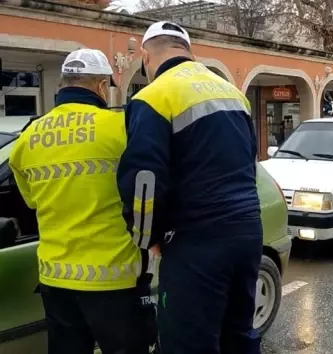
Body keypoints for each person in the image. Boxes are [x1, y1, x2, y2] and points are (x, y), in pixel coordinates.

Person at [117, 21, 262, 353]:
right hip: (247, 233)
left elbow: (143, 180)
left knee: (187, 342)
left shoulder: (153, 96)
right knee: (239, 334)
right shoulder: (232, 93)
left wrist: (147, 239)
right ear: (188, 51)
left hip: (197, 242)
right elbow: (248, 162)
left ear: (144, 56)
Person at [8, 49, 150, 354]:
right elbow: (143, 190)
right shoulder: (120, 127)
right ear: (101, 87)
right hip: (113, 278)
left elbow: (31, 201)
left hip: (55, 278)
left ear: (63, 85)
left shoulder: (29, 136)